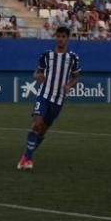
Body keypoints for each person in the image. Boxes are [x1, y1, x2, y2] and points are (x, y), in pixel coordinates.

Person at [17, 26, 81, 170]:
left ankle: (26, 157)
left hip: (58, 100)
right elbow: (37, 72)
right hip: (44, 95)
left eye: (63, 36)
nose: (60, 39)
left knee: (43, 130)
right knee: (37, 123)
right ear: (55, 37)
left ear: (68, 38)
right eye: (58, 36)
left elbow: (76, 76)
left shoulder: (73, 58)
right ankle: (27, 158)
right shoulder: (47, 55)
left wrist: (70, 85)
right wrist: (38, 76)